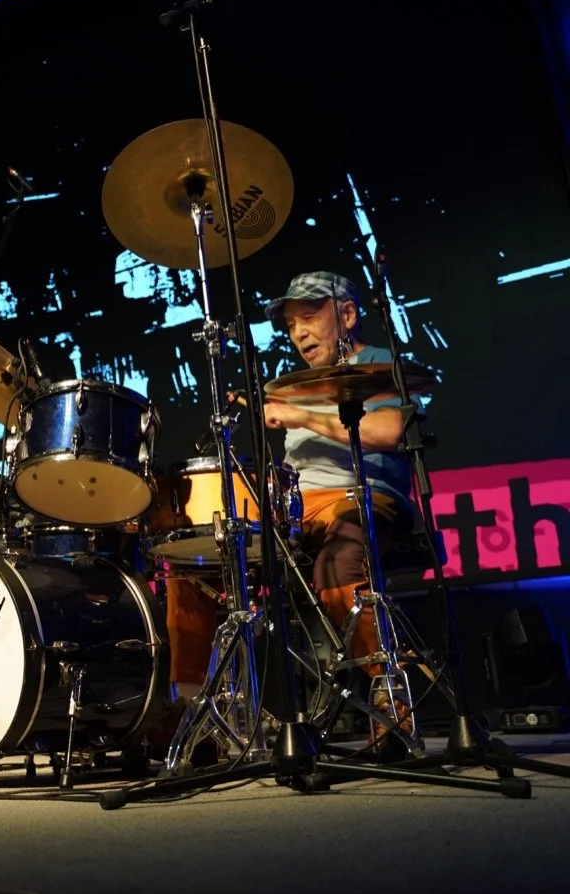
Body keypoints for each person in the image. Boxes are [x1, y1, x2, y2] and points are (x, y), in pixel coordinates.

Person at [163, 271, 420, 754]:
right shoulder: (296, 384)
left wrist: (299, 415)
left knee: (339, 562)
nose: (298, 332)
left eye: (308, 317)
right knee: (194, 566)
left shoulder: (377, 365)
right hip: (297, 510)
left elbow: (389, 431)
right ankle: (195, 711)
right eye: (290, 325)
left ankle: (390, 695)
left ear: (347, 315)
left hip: (362, 496)